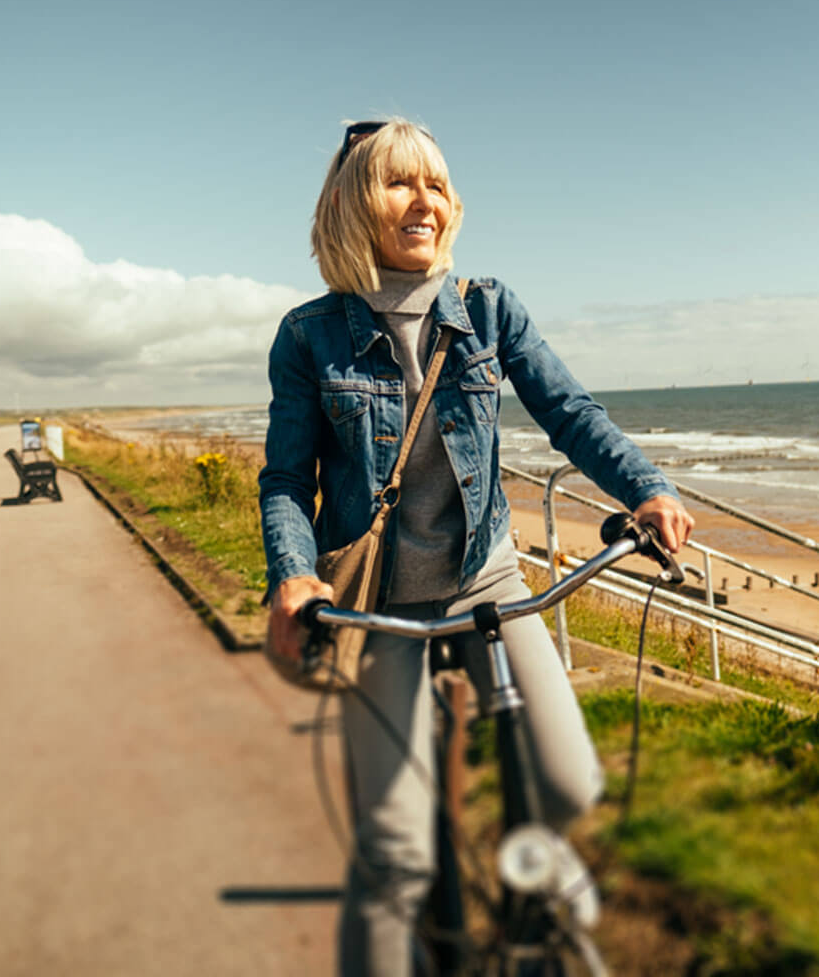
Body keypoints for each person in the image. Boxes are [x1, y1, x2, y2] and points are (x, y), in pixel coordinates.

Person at [259, 118, 694, 976]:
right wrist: (296, 576)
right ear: (352, 204)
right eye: (399, 183)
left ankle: (536, 880)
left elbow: (570, 412)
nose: (424, 202)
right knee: (395, 855)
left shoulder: (490, 309)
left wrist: (645, 488)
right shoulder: (307, 336)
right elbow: (285, 478)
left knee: (568, 787)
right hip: (379, 604)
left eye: (437, 184)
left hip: (487, 580)